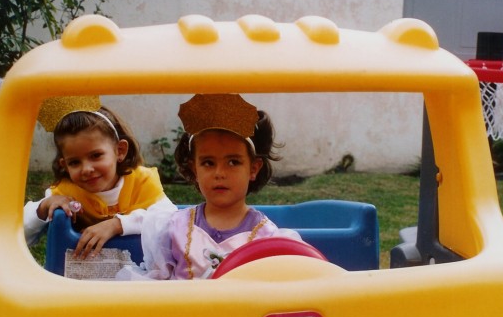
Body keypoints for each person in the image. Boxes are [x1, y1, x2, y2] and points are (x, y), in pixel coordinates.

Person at [116, 93, 301, 280]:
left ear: (253, 168)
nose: (219, 173)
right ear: (194, 169)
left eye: (233, 162)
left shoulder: (266, 237)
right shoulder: (174, 228)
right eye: (208, 163)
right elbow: (159, 284)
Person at [24, 96, 176, 258]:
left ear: (120, 151)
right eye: (74, 162)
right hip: (83, 271)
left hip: (143, 269)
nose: (86, 169)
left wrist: (117, 225)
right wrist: (43, 207)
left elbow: (170, 219)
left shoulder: (141, 181)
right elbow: (18, 234)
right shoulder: (64, 194)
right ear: (65, 165)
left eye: (96, 155)